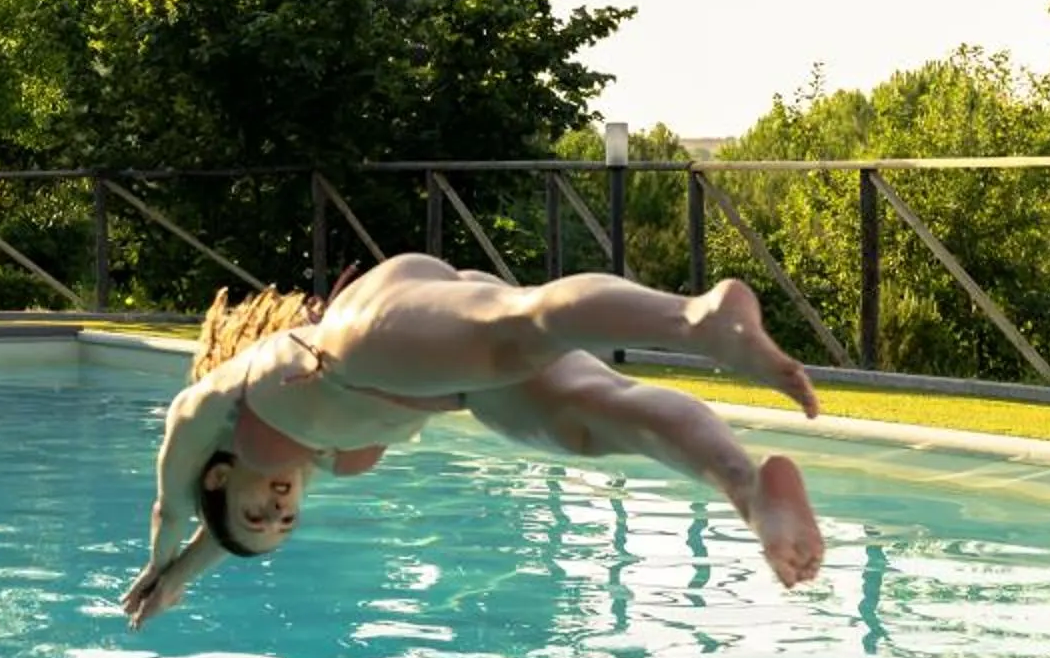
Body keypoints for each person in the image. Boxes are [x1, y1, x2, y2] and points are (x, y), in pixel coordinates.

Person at [121, 255, 823, 628]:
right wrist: (184, 579)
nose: (277, 511)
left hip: (359, 338)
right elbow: (225, 535)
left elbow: (177, 515)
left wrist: (156, 568)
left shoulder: (215, 413)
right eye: (285, 521)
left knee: (516, 335)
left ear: (217, 480)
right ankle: (750, 488)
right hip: (445, 384)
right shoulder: (309, 459)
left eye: (258, 512)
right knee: (598, 418)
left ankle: (694, 320)